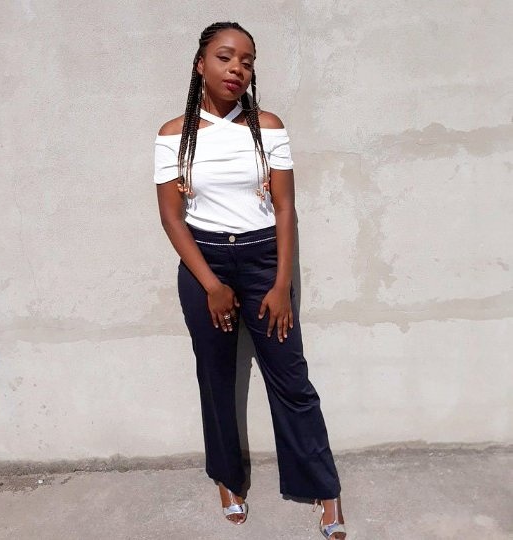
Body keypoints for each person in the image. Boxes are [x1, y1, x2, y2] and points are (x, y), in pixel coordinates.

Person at [153, 21, 347, 539]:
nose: (237, 68)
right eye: (225, 57)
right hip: (205, 265)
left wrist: (281, 284)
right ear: (200, 64)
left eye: (247, 60)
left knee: (291, 380)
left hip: (263, 262)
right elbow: (171, 216)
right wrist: (212, 285)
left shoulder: (268, 126)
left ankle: (322, 486)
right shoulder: (173, 134)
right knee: (216, 379)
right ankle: (228, 479)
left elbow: (284, 208)